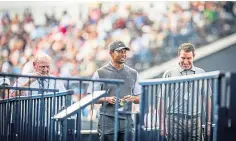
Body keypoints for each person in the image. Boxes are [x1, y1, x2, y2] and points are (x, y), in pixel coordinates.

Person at [87, 40, 141, 141]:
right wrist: (106, 99)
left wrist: (132, 98)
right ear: (111, 53)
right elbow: (90, 97)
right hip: (107, 120)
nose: (123, 54)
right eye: (120, 51)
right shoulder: (100, 73)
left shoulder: (133, 73)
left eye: (125, 52)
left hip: (127, 120)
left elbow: (140, 98)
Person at [158, 43, 212, 141]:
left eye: (189, 58)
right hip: (174, 121)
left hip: (196, 121)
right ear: (178, 56)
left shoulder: (201, 73)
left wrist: (209, 123)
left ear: (193, 57)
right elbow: (162, 100)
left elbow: (206, 99)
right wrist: (162, 124)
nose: (186, 61)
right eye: (183, 58)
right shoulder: (169, 73)